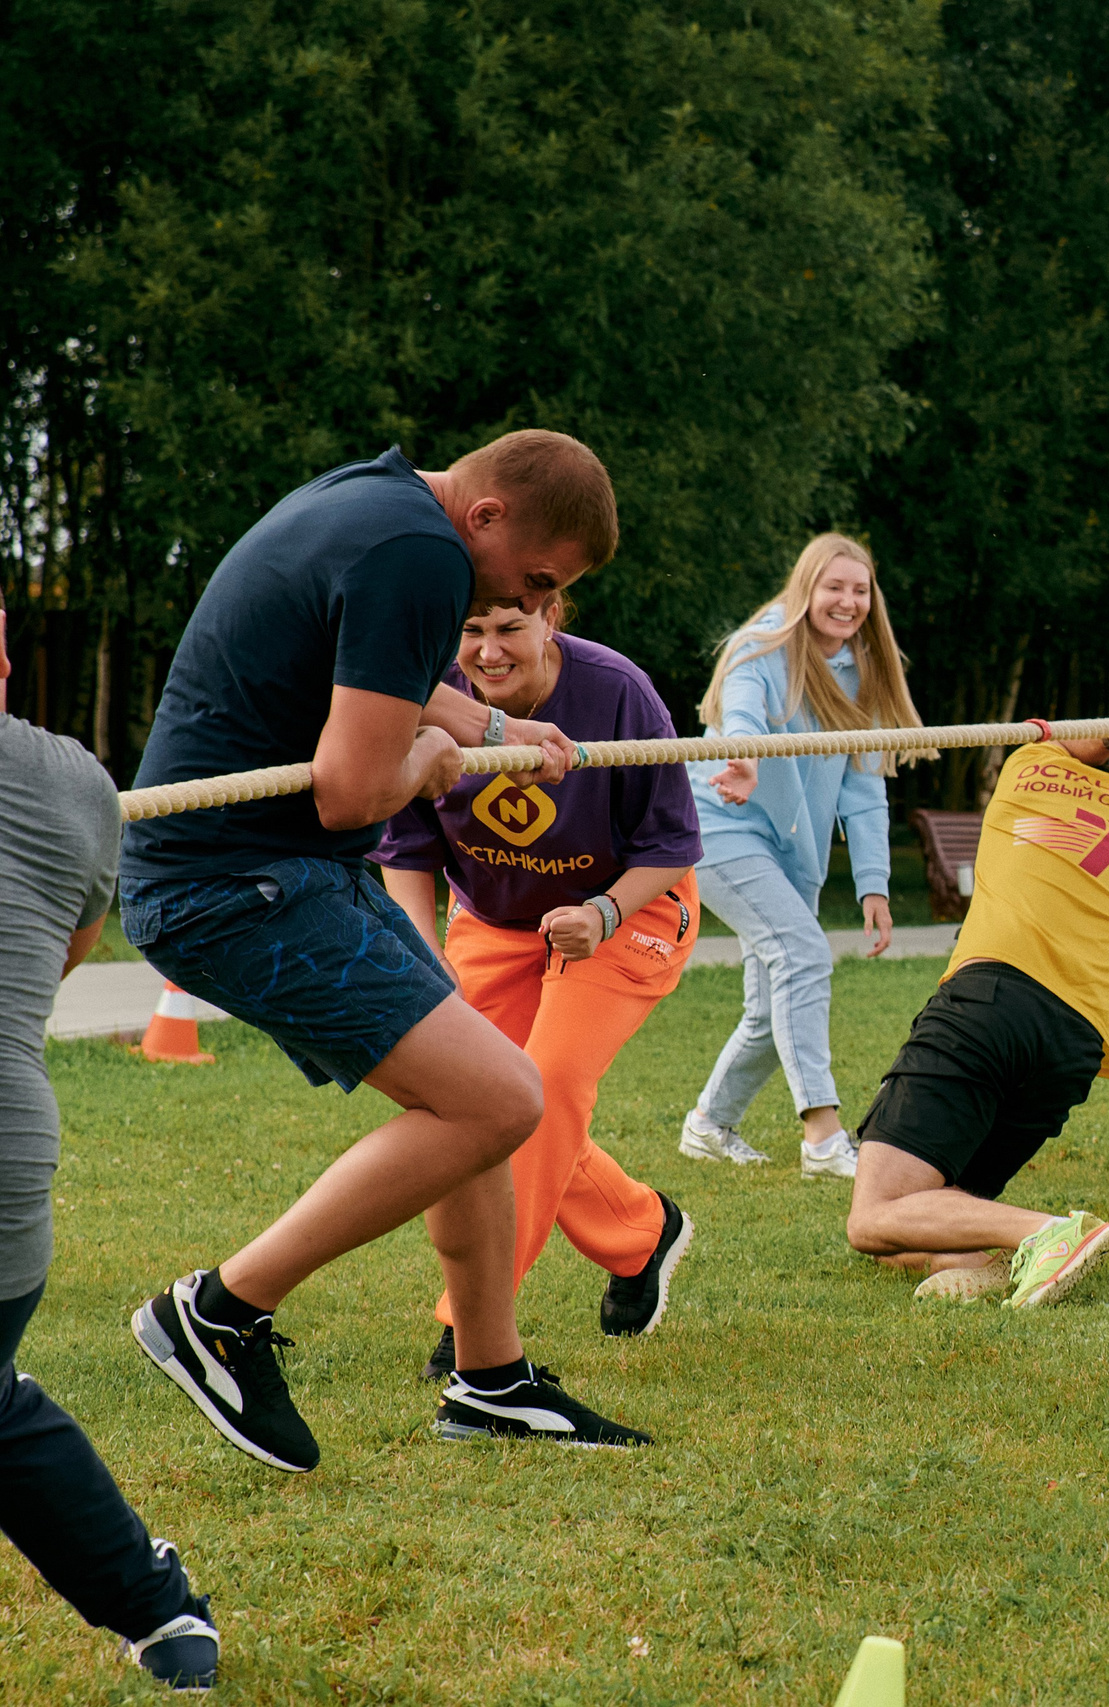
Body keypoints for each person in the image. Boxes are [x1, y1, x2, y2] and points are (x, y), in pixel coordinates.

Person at [120, 431, 645, 1472]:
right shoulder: (421, 555)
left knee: (479, 1094)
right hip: (235, 885)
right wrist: (442, 761)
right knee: (501, 1100)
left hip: (280, 869)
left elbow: (380, 678)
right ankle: (217, 1313)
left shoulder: (376, 500)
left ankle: (489, 1381)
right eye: (536, 582)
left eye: (550, 601)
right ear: (489, 515)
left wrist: (494, 730)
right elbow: (353, 789)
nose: (534, 611)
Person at [376, 593, 702, 1382]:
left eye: (510, 629)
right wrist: (425, 953)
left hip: (629, 906)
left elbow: (673, 839)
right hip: (492, 921)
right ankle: (640, 1231)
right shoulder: (431, 695)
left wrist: (603, 910)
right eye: (473, 631)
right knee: (472, 1098)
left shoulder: (617, 691)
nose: (488, 651)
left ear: (551, 616)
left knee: (546, 1084)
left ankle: (471, 1328)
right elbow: (406, 852)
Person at [844, 704, 1109, 1301]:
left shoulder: (1029, 766)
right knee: (917, 1221)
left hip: (991, 1003)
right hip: (1074, 1046)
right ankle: (987, 1260)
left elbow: (1080, 743)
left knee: (872, 1217)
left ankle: (1049, 1232)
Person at [0, 604, 221, 1690]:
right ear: (3, 654)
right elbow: (58, 960)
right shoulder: (75, 782)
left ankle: (156, 1604)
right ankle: (157, 1608)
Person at [679, 534, 921, 1180]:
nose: (847, 601)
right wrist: (744, 754)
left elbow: (865, 787)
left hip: (793, 847)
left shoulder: (865, 667)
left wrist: (874, 882)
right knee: (804, 953)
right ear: (804, 589)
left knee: (769, 1008)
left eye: (859, 590)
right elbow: (742, 713)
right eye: (833, 587)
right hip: (722, 824)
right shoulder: (761, 646)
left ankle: (709, 1124)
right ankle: (822, 1135)